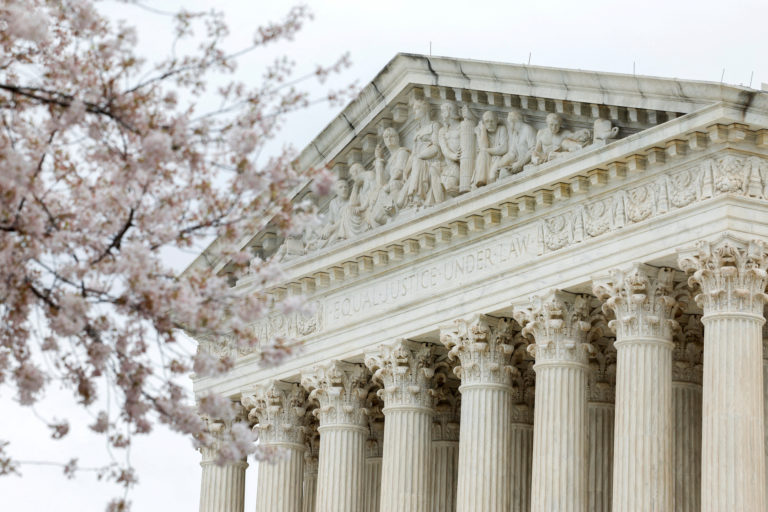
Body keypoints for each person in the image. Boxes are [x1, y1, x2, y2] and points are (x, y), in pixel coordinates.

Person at [406, 98, 443, 206]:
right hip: (418, 164)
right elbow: (413, 153)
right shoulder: (417, 131)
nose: (414, 111)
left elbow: (437, 147)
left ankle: (417, 196)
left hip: (431, 160)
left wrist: (420, 156)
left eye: (417, 108)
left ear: (425, 109)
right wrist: (406, 170)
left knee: (417, 161)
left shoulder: (434, 125)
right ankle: (414, 197)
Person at [375, 127, 410, 208]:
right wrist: (378, 159)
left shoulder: (402, 152)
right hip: (391, 188)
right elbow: (381, 183)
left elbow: (398, 172)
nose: (389, 139)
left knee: (393, 185)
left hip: (401, 185)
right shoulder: (388, 162)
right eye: (386, 137)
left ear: (397, 138)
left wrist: (387, 186)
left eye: (392, 136)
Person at [497, 109, 536, 178]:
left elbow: (533, 149)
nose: (510, 126)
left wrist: (520, 163)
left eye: (510, 123)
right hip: (518, 164)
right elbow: (512, 152)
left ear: (514, 122)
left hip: (528, 163)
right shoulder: (515, 133)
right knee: (503, 173)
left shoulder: (528, 129)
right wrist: (502, 162)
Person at [473, 110, 508, 187]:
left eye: (492, 121)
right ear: (483, 123)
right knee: (482, 154)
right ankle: (481, 180)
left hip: (499, 158)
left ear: (497, 121)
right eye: (487, 121)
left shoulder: (502, 129)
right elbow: (483, 146)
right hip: (486, 160)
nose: (490, 124)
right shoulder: (482, 132)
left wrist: (486, 150)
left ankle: (487, 180)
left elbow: (503, 149)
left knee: (492, 176)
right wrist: (483, 130)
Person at [437, 101, 462, 198]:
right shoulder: (442, 131)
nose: (441, 114)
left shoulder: (463, 126)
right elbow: (444, 149)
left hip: (464, 164)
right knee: (450, 187)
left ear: (449, 112)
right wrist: (454, 156)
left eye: (443, 111)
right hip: (451, 166)